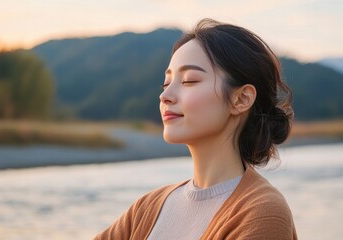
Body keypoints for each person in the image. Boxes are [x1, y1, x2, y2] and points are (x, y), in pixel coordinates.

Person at [94, 18, 297, 240]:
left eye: (189, 81)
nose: (165, 96)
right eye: (166, 83)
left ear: (241, 99)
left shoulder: (261, 213)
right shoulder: (146, 208)